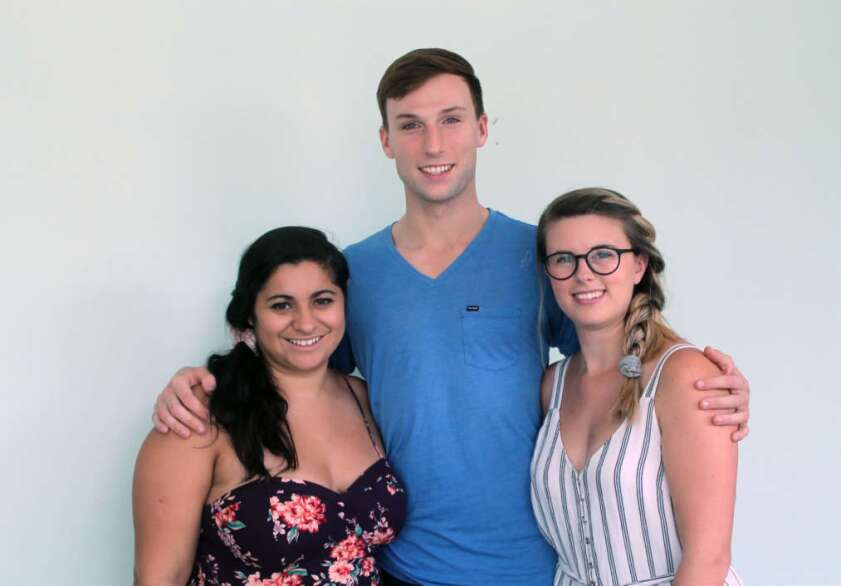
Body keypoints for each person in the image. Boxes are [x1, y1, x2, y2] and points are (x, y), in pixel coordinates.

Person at [151, 49, 751, 585]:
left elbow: (616, 359)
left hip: (539, 566)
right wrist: (199, 384)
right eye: (410, 126)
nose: (433, 146)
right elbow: (297, 371)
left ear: (482, 129)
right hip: (402, 566)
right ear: (385, 140)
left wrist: (699, 384)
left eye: (451, 121)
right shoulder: (352, 276)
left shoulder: (543, 257)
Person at [133, 227, 406, 585]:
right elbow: (160, 578)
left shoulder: (366, 399)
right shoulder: (197, 419)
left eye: (322, 300)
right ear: (250, 314)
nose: (306, 322)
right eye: (282, 305)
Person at [531, 188, 744, 586]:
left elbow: (708, 560)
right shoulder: (552, 387)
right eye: (563, 259)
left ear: (639, 265)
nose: (583, 274)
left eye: (603, 255)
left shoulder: (684, 376)